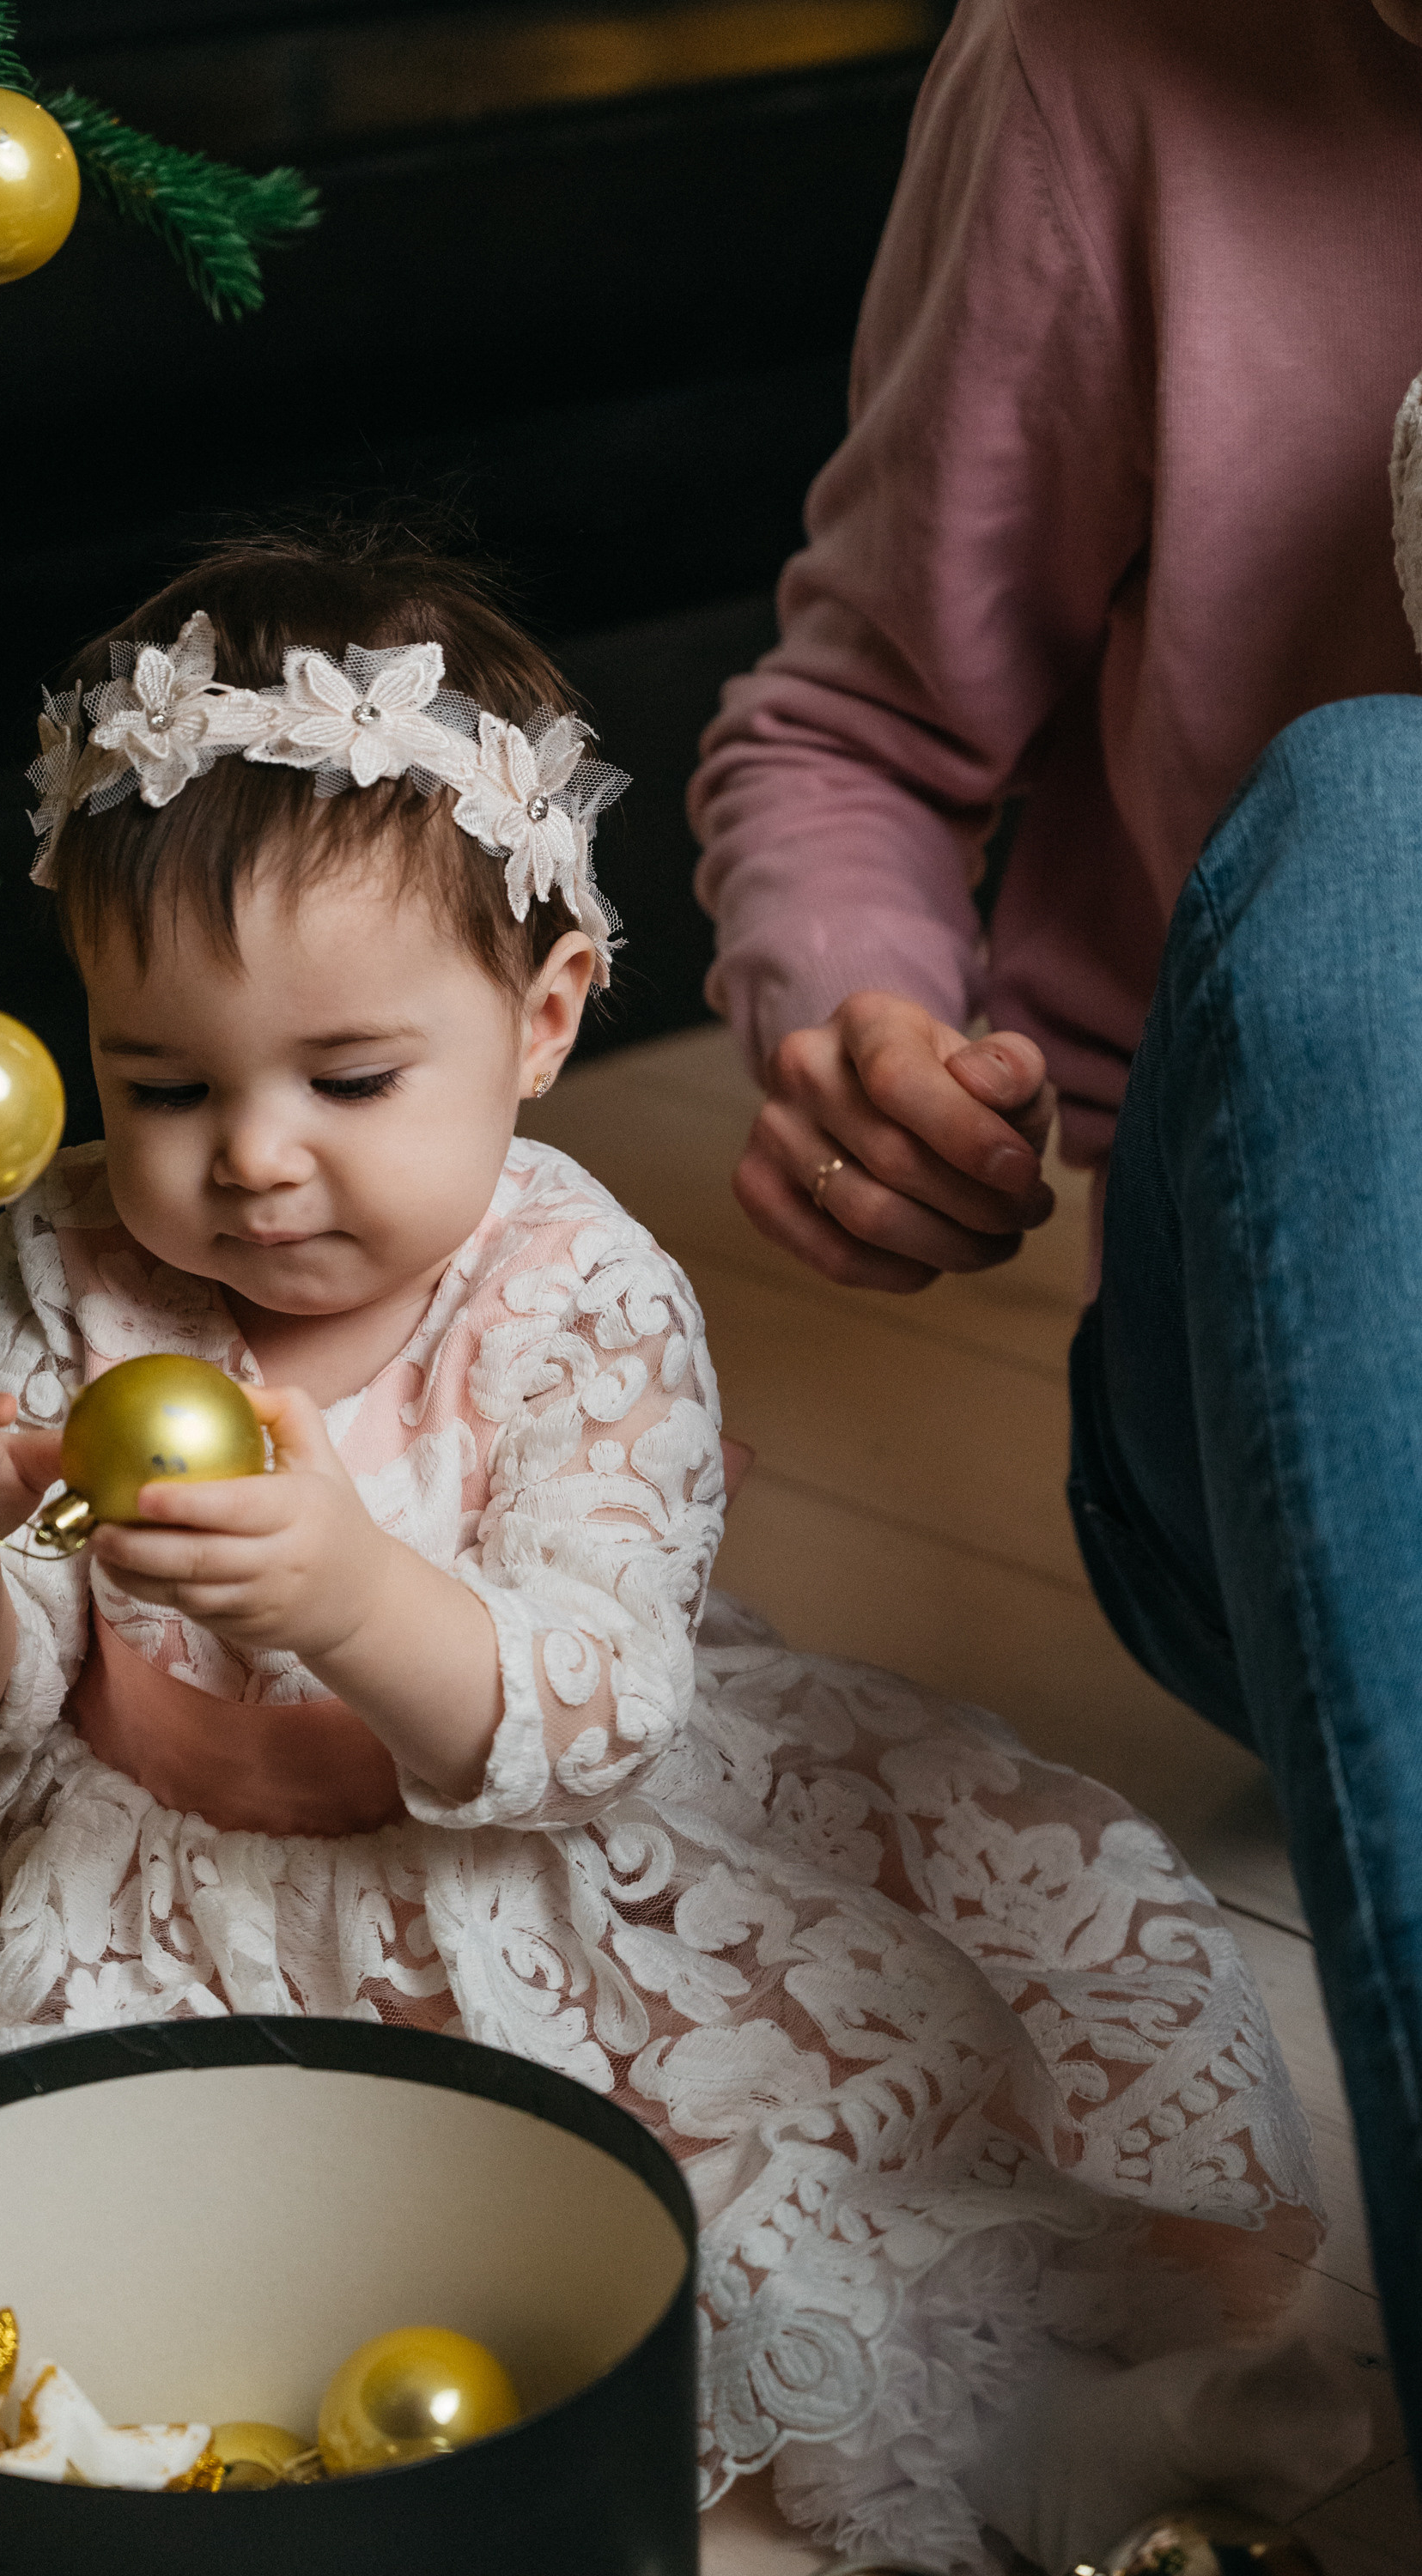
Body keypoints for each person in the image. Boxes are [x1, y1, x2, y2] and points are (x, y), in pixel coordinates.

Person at [0, 533, 1366, 2576]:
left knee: (713, 2209)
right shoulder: (76, 1259)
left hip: (491, 1876)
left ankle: (1020, 2431)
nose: (248, 1157)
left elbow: (596, 1701)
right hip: (104, 1858)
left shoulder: (572, 1298)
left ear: (541, 1019)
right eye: (160, 1081)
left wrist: (353, 1600)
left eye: (348, 1080)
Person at [690, 0, 1422, 2476]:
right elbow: (850, 729)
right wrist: (858, 1018)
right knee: (1374, 825)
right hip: (1313, 1451)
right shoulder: (1101, 72)